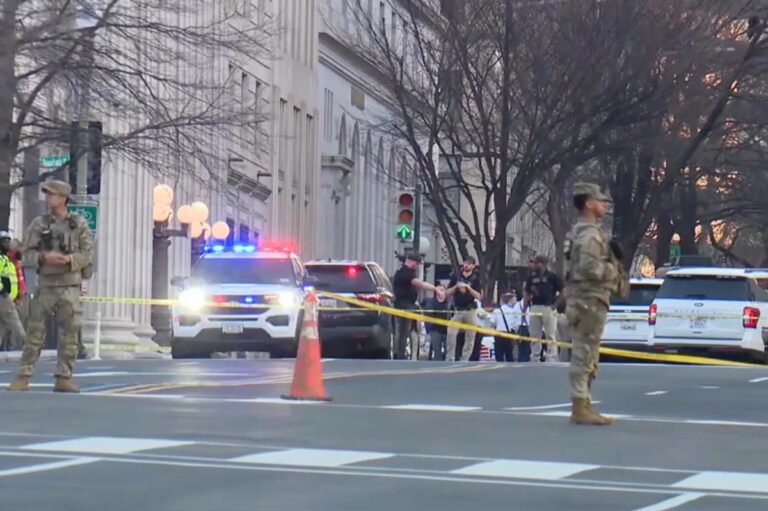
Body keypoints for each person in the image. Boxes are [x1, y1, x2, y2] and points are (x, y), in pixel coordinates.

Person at [7, 180, 93, 393]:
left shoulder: (78, 224)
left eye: (51, 194)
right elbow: (24, 253)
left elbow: (87, 253)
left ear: (63, 198)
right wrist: (44, 257)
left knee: (69, 334)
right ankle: (24, 376)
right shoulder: (39, 224)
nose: (47, 198)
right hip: (46, 286)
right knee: (34, 332)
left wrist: (69, 260)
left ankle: (63, 377)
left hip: (69, 286)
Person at [563, 182, 621, 425]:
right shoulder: (589, 235)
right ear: (589, 204)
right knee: (584, 352)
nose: (604, 204)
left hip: (584, 298)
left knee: (588, 352)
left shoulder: (578, 232)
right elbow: (588, 268)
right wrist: (612, 270)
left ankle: (584, 403)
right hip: (588, 299)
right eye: (600, 200)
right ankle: (579, 405)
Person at [392, 254, 439, 360]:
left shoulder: (404, 272)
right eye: (417, 264)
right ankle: (400, 355)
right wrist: (435, 289)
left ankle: (400, 353)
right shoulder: (406, 273)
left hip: (407, 304)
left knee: (405, 331)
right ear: (412, 262)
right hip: (404, 305)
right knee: (403, 331)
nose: (417, 266)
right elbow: (419, 283)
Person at [525, 255, 563, 363]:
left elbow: (563, 291)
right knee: (534, 334)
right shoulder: (531, 278)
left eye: (537, 263)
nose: (534, 265)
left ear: (543, 264)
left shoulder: (552, 277)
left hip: (548, 307)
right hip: (535, 306)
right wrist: (525, 307)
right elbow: (527, 292)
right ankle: (535, 357)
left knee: (550, 334)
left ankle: (551, 358)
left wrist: (555, 305)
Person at [445, 256, 482, 362]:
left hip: (470, 310)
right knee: (451, 334)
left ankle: (465, 358)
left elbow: (479, 296)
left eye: (469, 264)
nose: (466, 265)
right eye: (465, 263)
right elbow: (447, 292)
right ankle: (450, 357)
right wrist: (456, 287)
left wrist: (468, 288)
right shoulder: (456, 276)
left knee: (470, 336)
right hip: (458, 310)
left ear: (473, 266)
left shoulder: (475, 278)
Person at [0, 231, 26, 353]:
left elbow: (14, 280)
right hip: (3, 297)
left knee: (2, 325)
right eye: (4, 241)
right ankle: (29, 345)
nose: (7, 244)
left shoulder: (7, 260)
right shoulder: (2, 259)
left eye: (8, 241)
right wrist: (3, 291)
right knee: (15, 322)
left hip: (10, 297)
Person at [424, 286, 451, 360]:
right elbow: (427, 317)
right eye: (439, 290)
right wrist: (428, 331)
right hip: (435, 330)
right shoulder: (431, 302)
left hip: (447, 330)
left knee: (448, 351)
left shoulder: (449, 303)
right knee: (437, 352)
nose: (440, 292)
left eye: (442, 290)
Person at [489, 292, 517, 362]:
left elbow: (492, 323)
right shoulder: (513, 311)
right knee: (509, 354)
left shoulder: (496, 311)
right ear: (510, 300)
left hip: (498, 334)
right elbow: (515, 325)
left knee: (499, 355)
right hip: (508, 334)